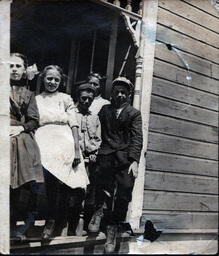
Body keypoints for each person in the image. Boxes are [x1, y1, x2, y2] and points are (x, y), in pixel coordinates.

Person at [88, 77, 143, 253]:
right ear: (112, 93)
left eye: (123, 92)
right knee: (102, 187)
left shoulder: (134, 113)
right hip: (105, 155)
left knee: (125, 191)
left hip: (124, 158)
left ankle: (113, 229)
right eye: (117, 92)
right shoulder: (105, 110)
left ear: (128, 95)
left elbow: (137, 138)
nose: (120, 95)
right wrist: (93, 149)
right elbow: (94, 128)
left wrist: (134, 161)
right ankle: (98, 213)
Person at [34, 65, 89, 239]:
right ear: (43, 78)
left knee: (63, 182)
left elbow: (73, 124)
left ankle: (56, 220)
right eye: (49, 78)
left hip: (63, 140)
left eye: (56, 79)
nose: (52, 82)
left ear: (61, 81)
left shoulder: (65, 98)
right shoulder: (36, 99)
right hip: (43, 140)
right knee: (47, 182)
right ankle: (47, 218)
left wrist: (76, 150)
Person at [10, 53, 44, 240]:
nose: (14, 69)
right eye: (11, 65)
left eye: (18, 66)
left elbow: (34, 120)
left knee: (14, 185)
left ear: (24, 70)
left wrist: (20, 128)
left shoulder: (29, 94)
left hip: (18, 138)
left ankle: (11, 228)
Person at [74, 83, 102, 232]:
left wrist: (93, 153)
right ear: (78, 97)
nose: (86, 102)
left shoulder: (95, 118)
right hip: (73, 158)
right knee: (73, 190)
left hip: (88, 161)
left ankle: (82, 222)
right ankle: (68, 222)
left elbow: (98, 139)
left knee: (86, 191)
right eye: (84, 98)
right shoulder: (71, 114)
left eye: (90, 99)